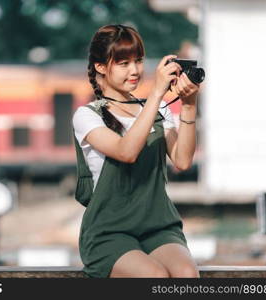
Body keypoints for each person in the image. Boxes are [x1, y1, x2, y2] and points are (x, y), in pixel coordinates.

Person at [72, 24, 201, 278]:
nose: (135, 71)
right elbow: (126, 151)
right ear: (100, 67)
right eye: (123, 63)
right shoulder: (87, 116)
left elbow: (183, 161)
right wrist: (155, 93)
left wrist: (188, 104)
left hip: (157, 225)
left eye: (139, 61)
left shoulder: (160, 109)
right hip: (109, 232)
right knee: (154, 277)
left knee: (187, 275)